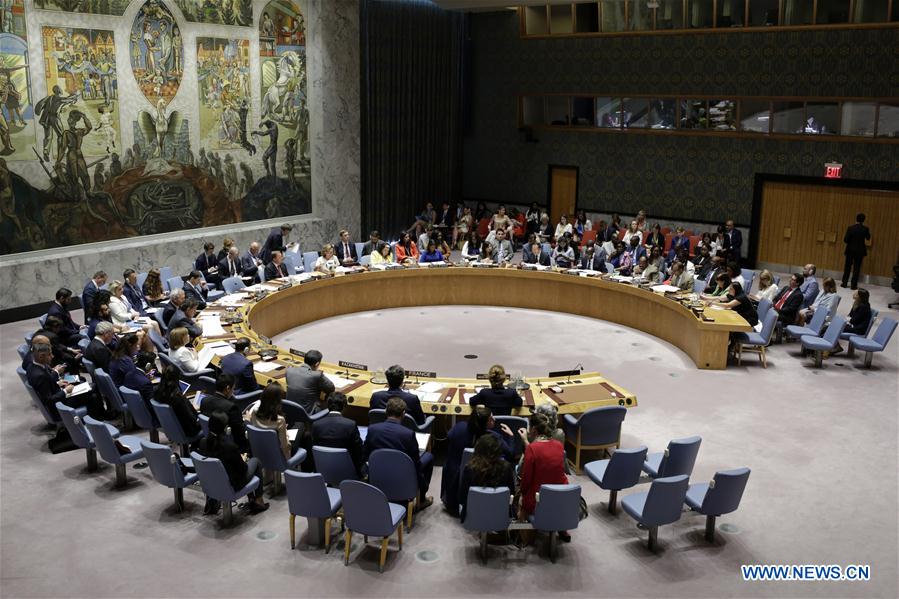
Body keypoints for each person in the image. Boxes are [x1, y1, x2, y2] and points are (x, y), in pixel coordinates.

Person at [440, 406, 514, 516]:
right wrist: (511, 436)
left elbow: (449, 437)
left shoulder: (459, 427)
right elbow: (510, 454)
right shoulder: (493, 438)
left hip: (454, 474)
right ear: (485, 423)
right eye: (491, 418)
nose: (495, 420)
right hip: (479, 476)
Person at [364, 397, 434, 508]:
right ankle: (421, 499)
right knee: (429, 457)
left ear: (386, 411)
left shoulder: (372, 429)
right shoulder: (408, 434)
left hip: (378, 471)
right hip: (403, 473)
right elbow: (415, 462)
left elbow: (366, 454)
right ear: (403, 414)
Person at [197, 411, 268, 515]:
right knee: (255, 461)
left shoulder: (202, 443)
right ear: (225, 428)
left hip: (212, 482)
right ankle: (258, 501)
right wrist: (243, 459)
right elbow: (243, 469)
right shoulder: (229, 447)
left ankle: (251, 499)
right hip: (232, 484)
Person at [518, 413, 569, 538]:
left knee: (519, 500)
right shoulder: (559, 445)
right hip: (562, 497)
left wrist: (522, 494)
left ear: (534, 429)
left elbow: (526, 481)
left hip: (538, 500)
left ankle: (523, 537)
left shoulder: (532, 448)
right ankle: (561, 527)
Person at [27, 343, 105, 420]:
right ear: (41, 356)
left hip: (58, 391)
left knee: (88, 387)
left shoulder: (33, 366)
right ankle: (99, 417)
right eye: (50, 354)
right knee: (92, 388)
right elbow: (49, 400)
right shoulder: (39, 375)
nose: (52, 356)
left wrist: (58, 383)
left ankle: (97, 417)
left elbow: (47, 385)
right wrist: (65, 391)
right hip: (60, 404)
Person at [458, 434, 515, 522]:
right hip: (500, 516)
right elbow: (511, 494)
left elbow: (462, 498)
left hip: (473, 516)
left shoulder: (469, 468)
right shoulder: (507, 468)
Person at [311, 392, 364, 476]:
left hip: (322, 470)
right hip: (346, 471)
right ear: (344, 406)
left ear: (327, 406)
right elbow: (358, 451)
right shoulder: (350, 425)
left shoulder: (316, 425)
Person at [200, 373, 249, 453]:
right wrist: (247, 421)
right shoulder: (231, 408)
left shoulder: (204, 401)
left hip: (211, 443)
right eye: (233, 389)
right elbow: (240, 435)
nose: (233, 392)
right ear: (228, 388)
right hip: (230, 448)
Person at [244, 382, 293, 458]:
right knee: (301, 427)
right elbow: (284, 446)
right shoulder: (280, 420)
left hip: (260, 451)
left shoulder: (254, 412)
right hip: (277, 456)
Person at [154, 364, 201, 439]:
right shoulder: (178, 397)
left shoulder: (157, 391)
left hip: (170, 427)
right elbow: (191, 420)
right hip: (188, 430)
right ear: (178, 378)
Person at [286, 349, 335, 415]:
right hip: (308, 413)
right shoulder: (317, 375)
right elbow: (331, 388)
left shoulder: (289, 371)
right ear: (317, 364)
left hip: (290, 410)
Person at [833, 289, 872, 354]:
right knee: (833, 325)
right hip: (853, 325)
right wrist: (847, 320)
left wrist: (847, 320)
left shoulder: (864, 307)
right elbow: (850, 315)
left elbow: (854, 320)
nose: (853, 294)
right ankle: (834, 346)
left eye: (855, 294)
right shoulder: (856, 303)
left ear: (859, 297)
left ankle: (835, 347)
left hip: (858, 329)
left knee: (835, 327)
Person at [842, 213, 870, 290]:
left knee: (847, 267)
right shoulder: (865, 229)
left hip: (850, 250)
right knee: (857, 268)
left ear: (856, 219)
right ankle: (853, 285)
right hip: (860, 251)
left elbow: (846, 240)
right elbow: (868, 238)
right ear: (864, 220)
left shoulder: (850, 228)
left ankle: (844, 283)